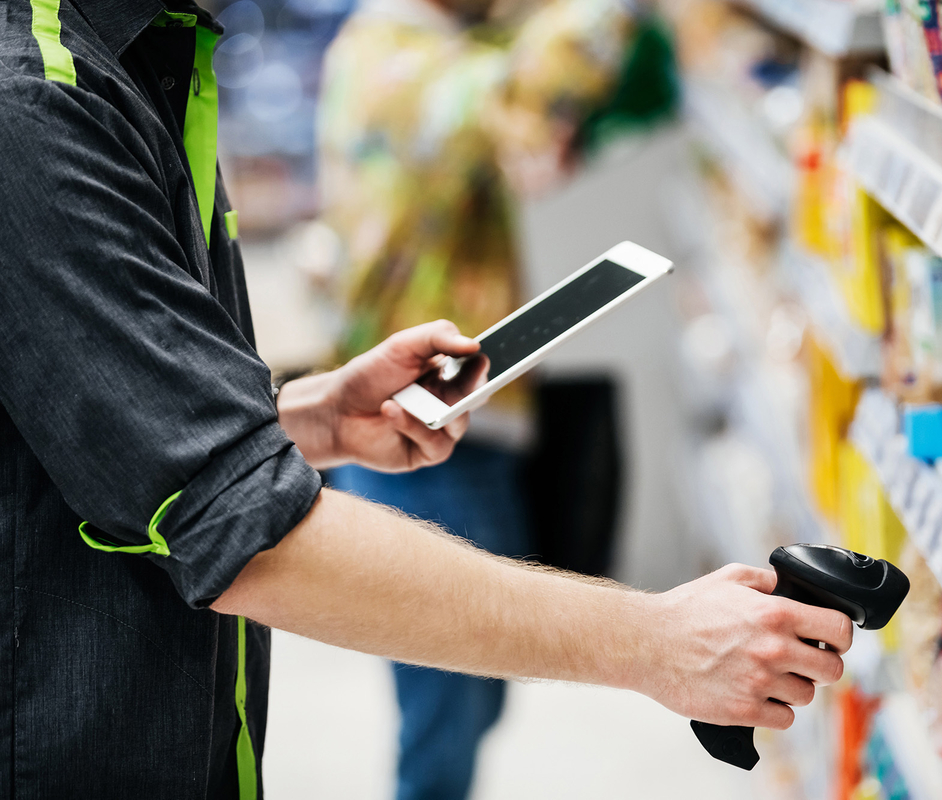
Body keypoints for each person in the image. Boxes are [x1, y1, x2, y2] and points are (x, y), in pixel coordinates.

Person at [0, 1, 852, 798]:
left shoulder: (147, 60)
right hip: (65, 748)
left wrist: (300, 419)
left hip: (159, 732)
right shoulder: (35, 105)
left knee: (464, 695)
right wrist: (658, 642)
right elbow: (245, 533)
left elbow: (92, 402)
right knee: (447, 707)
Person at [317, 0, 674, 795]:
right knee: (448, 699)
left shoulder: (425, 46)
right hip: (407, 422)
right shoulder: (394, 62)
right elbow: (529, 83)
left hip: (450, 417)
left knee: (472, 688)